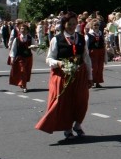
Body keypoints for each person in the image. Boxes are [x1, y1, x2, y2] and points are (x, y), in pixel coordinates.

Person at [35, 12, 93, 140]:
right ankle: (67, 129)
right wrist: (59, 63)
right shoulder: (57, 39)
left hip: (79, 74)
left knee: (82, 101)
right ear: (64, 24)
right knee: (65, 102)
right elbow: (49, 59)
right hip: (63, 75)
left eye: (74, 24)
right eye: (69, 24)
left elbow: (86, 58)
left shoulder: (82, 38)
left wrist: (90, 76)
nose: (72, 26)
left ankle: (77, 125)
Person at [9, 22, 36, 92]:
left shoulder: (30, 38)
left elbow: (35, 48)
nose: (23, 30)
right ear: (20, 30)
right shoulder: (17, 39)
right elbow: (13, 49)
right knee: (22, 70)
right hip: (20, 58)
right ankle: (24, 86)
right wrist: (12, 57)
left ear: (27, 30)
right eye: (21, 29)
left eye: (24, 29)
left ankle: (23, 83)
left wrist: (34, 47)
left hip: (29, 57)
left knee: (26, 72)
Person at [86, 19, 106, 88]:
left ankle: (98, 82)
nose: (96, 26)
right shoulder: (89, 35)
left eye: (97, 25)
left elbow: (103, 43)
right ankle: (90, 81)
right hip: (93, 52)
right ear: (92, 26)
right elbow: (86, 45)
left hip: (100, 51)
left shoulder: (100, 33)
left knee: (100, 68)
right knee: (93, 68)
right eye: (95, 25)